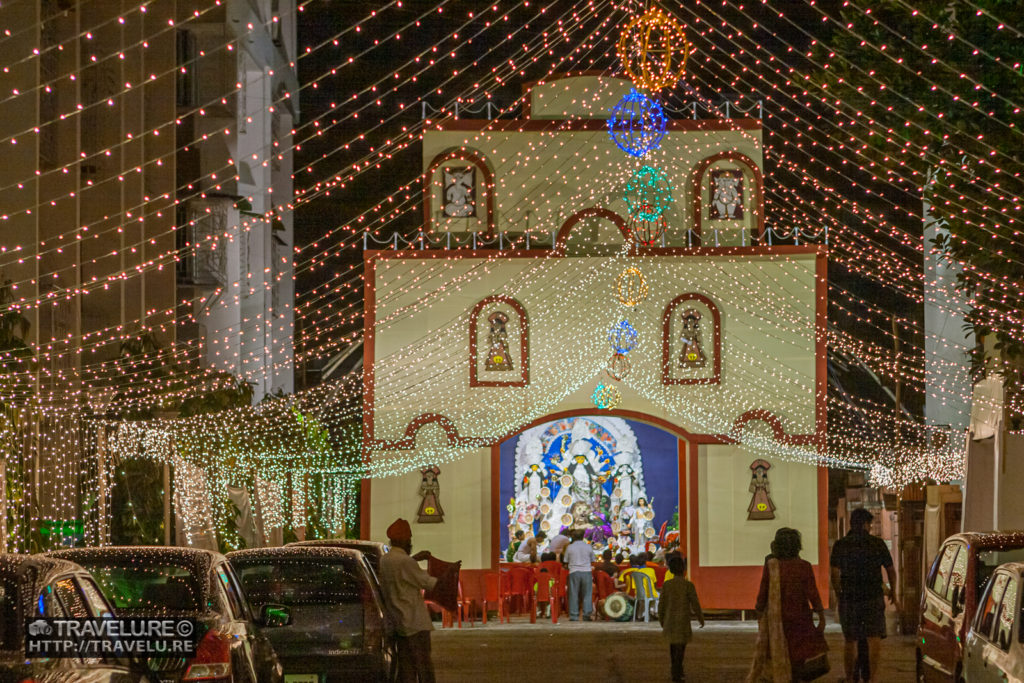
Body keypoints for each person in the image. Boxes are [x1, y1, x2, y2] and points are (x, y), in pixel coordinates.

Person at [746, 527, 827, 682]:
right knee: (798, 657)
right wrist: (821, 616)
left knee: (779, 654)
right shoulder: (804, 566)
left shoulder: (772, 566)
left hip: (778, 622)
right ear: (797, 545)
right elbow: (813, 593)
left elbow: (763, 592)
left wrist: (759, 613)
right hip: (801, 619)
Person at [830, 508, 899, 683]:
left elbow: (835, 574)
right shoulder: (877, 544)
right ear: (866, 524)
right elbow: (891, 571)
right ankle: (872, 679)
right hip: (873, 597)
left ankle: (849, 677)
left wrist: (839, 595)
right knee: (874, 637)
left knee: (850, 639)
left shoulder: (841, 544)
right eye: (870, 524)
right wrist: (894, 592)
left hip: (850, 597)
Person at [379, 518, 438, 683]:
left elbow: (402, 569)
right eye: (409, 540)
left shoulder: (384, 560)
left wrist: (414, 558)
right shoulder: (406, 562)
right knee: (424, 666)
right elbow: (428, 583)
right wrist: (447, 575)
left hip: (399, 623)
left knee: (407, 668)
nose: (410, 542)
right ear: (404, 540)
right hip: (415, 622)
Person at [657, 554, 704, 683]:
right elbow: (695, 603)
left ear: (670, 570)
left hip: (670, 620)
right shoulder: (688, 585)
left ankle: (675, 669)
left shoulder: (667, 585)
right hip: (683, 620)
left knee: (672, 646)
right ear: (683, 569)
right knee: (681, 647)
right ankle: (678, 669)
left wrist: (661, 620)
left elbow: (661, 605)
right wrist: (700, 618)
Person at [564, 529, 595, 621]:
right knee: (587, 594)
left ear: (573, 537)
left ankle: (574, 615)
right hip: (586, 571)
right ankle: (586, 614)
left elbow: (566, 560)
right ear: (583, 536)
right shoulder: (588, 547)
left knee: (573, 594)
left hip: (574, 571)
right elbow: (593, 559)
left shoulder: (570, 547)